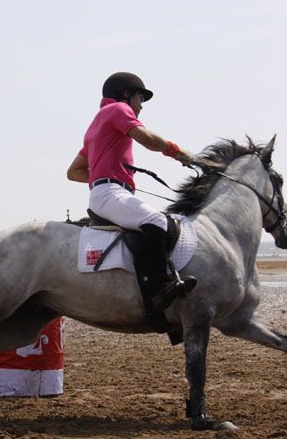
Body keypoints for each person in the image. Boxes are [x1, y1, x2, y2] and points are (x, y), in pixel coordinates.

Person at [67, 71, 196, 311]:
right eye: (140, 99)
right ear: (126, 95)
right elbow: (146, 138)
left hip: (104, 192)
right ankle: (159, 288)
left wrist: (102, 175)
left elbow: (73, 171)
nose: (141, 108)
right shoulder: (118, 110)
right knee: (156, 221)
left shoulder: (96, 124)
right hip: (110, 193)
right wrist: (176, 152)